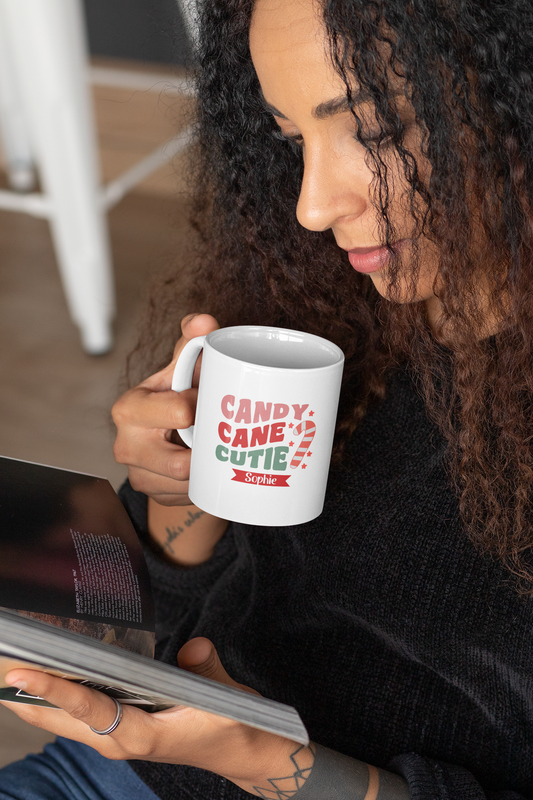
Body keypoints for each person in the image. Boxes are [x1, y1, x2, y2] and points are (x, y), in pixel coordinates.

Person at [1, 0, 533, 797]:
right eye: (290, 139)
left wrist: (262, 760)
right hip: (124, 771)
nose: (312, 207)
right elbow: (172, 616)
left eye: (377, 131)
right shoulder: (322, 303)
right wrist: (177, 499)